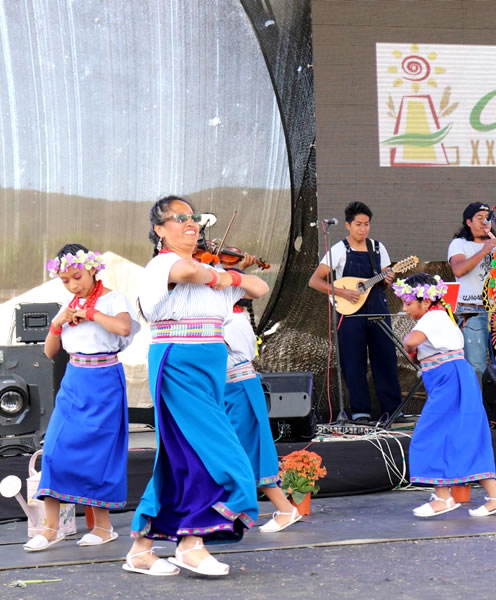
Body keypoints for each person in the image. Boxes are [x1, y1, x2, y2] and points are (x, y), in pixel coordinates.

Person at [125, 196, 269, 577]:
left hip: (207, 369)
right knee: (222, 454)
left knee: (178, 457)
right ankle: (191, 544)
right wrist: (217, 275)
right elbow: (188, 273)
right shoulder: (163, 264)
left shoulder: (212, 272)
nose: (192, 224)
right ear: (159, 229)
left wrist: (228, 275)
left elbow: (258, 287)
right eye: (181, 218)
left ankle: (141, 550)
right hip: (179, 362)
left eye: (195, 218)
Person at [24, 245, 140, 552]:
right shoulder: (69, 302)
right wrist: (57, 323)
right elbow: (50, 352)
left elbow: (124, 327)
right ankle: (50, 528)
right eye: (65, 281)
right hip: (74, 381)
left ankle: (103, 528)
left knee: (98, 453)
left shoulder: (114, 299)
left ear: (92, 269)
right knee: (54, 449)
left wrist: (90, 313)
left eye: (76, 277)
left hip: (104, 381)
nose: (73, 285)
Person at [394, 273, 496, 518]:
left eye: (408, 302)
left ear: (425, 301)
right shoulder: (437, 315)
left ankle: (443, 497)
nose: (404, 309)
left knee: (430, 433)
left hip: (451, 379)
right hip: (450, 378)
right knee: (460, 436)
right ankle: (493, 495)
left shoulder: (433, 316)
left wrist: (408, 345)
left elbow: (411, 340)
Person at [308, 201, 403, 423]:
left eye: (367, 224)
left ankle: (393, 410)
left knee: (386, 359)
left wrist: (388, 278)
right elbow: (315, 281)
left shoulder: (378, 248)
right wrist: (341, 292)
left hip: (378, 311)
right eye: (358, 224)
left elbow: (384, 280)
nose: (363, 229)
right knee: (353, 363)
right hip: (350, 315)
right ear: (348, 225)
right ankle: (360, 412)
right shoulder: (340, 249)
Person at [221, 291, 302, 533]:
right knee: (230, 450)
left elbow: (223, 356)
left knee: (247, 449)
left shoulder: (231, 319)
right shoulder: (228, 317)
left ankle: (285, 509)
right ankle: (232, 508)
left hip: (238, 388)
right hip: (229, 389)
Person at [447, 202, 496, 378]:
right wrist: (484, 251)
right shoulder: (459, 244)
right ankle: (475, 405)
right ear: (468, 222)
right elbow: (459, 269)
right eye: (479, 218)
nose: (485, 222)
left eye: (488, 219)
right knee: (476, 366)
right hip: (472, 310)